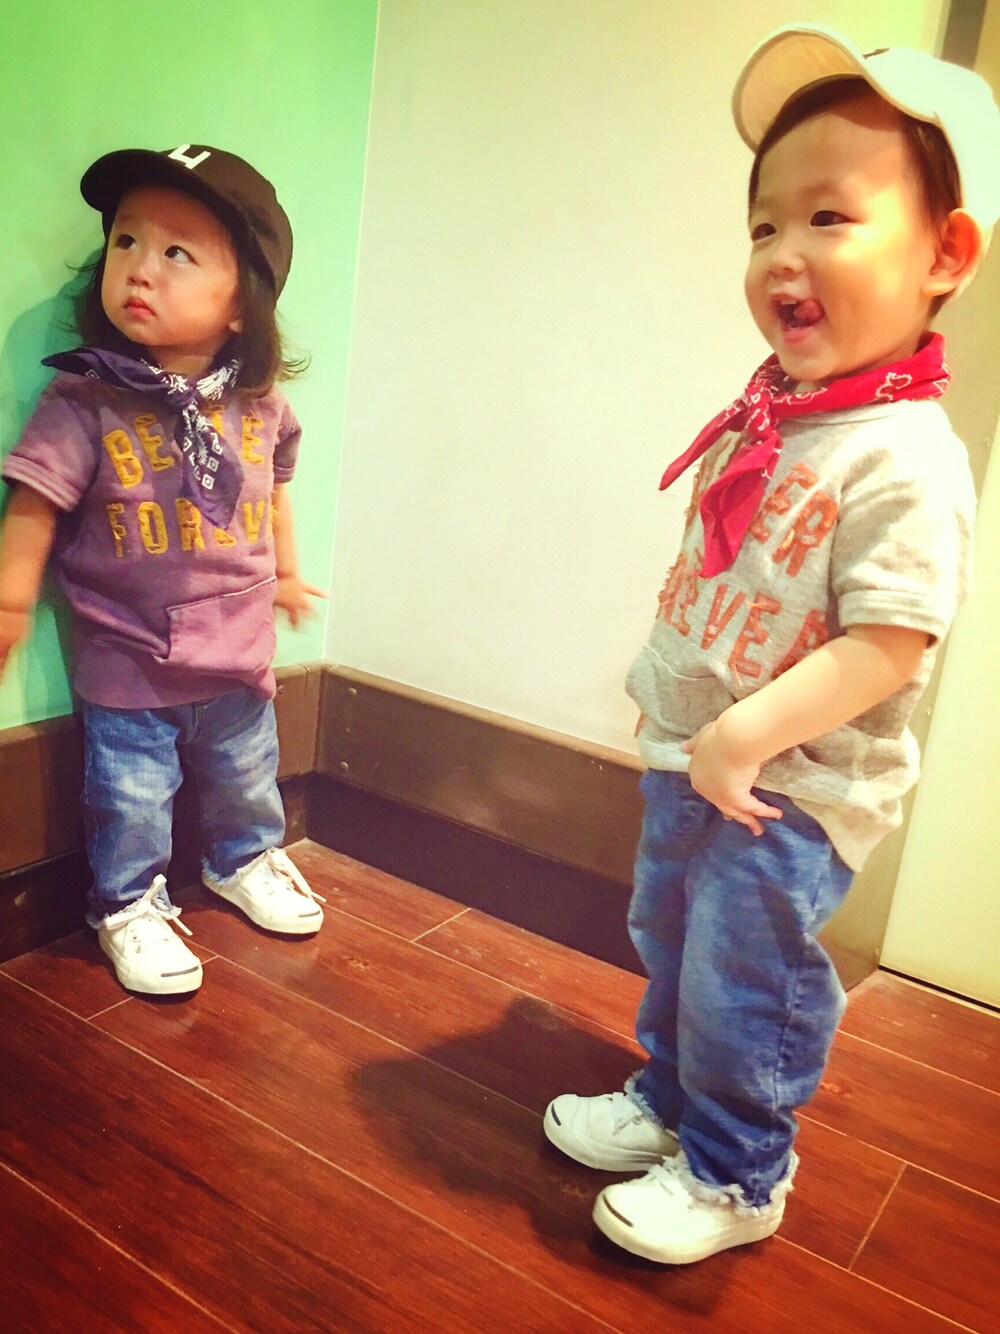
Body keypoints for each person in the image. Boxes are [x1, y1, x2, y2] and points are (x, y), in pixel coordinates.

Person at [544, 25, 1000, 1264]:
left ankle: (739, 1168)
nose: (782, 253)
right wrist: (682, 708)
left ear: (945, 254)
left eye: (828, 218)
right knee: (671, 943)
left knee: (746, 981)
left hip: (791, 788)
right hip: (698, 757)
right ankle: (670, 1099)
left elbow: (892, 642)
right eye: (763, 225)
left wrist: (742, 732)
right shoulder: (778, 414)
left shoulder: (904, 457)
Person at [0, 144, 327, 997]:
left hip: (240, 652)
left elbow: (275, 494)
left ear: (241, 305)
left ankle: (243, 859)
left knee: (247, 777)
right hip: (131, 660)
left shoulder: (261, 405)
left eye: (177, 252)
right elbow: (35, 501)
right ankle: (127, 904)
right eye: (126, 241)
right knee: (132, 799)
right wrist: (9, 601)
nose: (141, 267)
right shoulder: (86, 399)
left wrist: (290, 574)